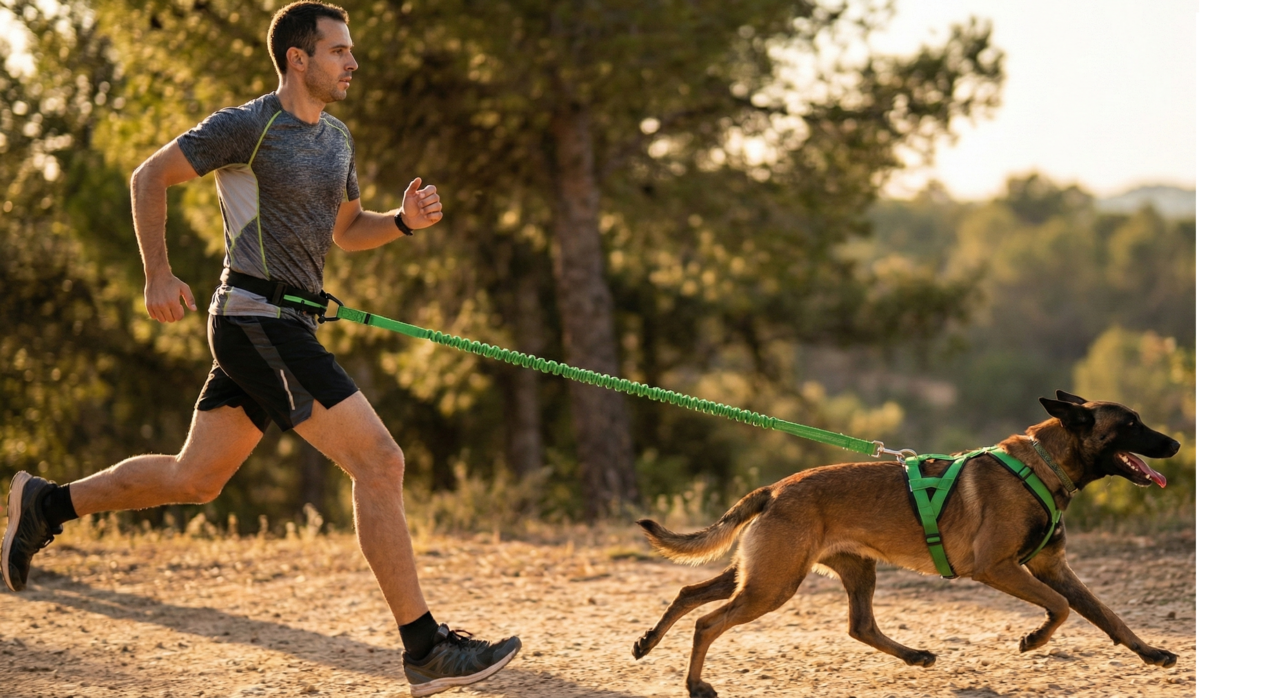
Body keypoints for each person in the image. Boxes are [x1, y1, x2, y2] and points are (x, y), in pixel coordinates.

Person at [1, 2, 520, 695]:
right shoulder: (246, 126)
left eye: (351, 51)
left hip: (287, 327)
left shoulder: (337, 139)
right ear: (298, 58)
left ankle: (46, 505)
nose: (353, 64)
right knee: (380, 460)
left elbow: (346, 230)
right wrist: (157, 272)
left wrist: (399, 222)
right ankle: (424, 647)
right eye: (339, 51)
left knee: (196, 478)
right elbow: (147, 177)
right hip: (253, 320)